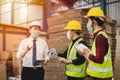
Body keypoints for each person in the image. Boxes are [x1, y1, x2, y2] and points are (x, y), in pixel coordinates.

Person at [77, 8, 113, 80]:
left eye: (89, 21)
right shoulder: (98, 36)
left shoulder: (100, 38)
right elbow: (98, 55)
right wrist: (85, 53)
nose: (87, 23)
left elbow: (99, 59)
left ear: (94, 22)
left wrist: (86, 54)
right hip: (99, 76)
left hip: (101, 77)